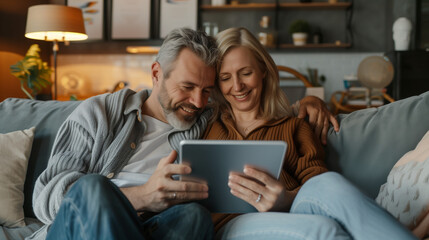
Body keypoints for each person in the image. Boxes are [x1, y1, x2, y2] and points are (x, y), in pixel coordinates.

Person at [28, 27, 336, 240]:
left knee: (194, 216)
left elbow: (254, 108)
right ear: (156, 73)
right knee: (94, 188)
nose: (198, 102)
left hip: (152, 229)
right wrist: (141, 196)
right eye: (187, 87)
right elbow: (45, 197)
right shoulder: (100, 113)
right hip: (85, 227)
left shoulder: (206, 120)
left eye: (207, 90)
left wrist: (310, 103)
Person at [204, 27, 417, 240]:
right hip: (232, 224)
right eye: (225, 78)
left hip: (292, 212)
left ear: (263, 70)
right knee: (325, 231)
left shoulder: (295, 125)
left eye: (246, 73)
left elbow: (317, 186)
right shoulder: (208, 122)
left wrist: (285, 198)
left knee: (329, 182)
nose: (237, 86)